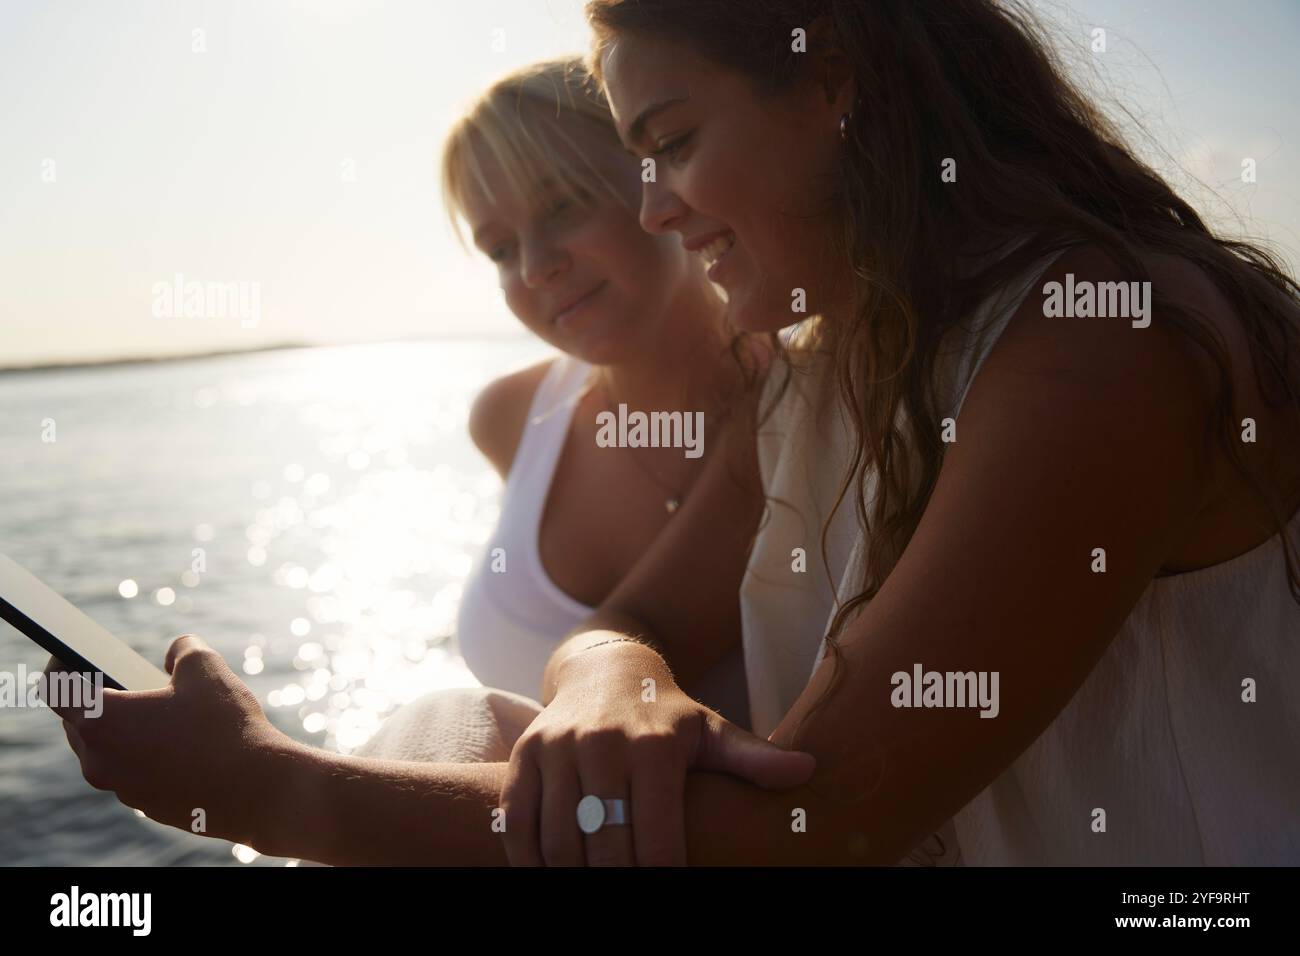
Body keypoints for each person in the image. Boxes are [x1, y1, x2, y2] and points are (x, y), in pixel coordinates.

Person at [48, 1, 1300, 867]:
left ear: (834, 79)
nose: (655, 207)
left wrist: (266, 784)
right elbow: (635, 621)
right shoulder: (828, 368)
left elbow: (811, 831)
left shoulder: (1093, 344)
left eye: (670, 142)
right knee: (463, 722)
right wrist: (613, 679)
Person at [347, 58, 752, 771]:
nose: (534, 266)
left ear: (662, 176)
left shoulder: (799, 395)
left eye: (562, 204)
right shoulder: (511, 417)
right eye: (500, 248)